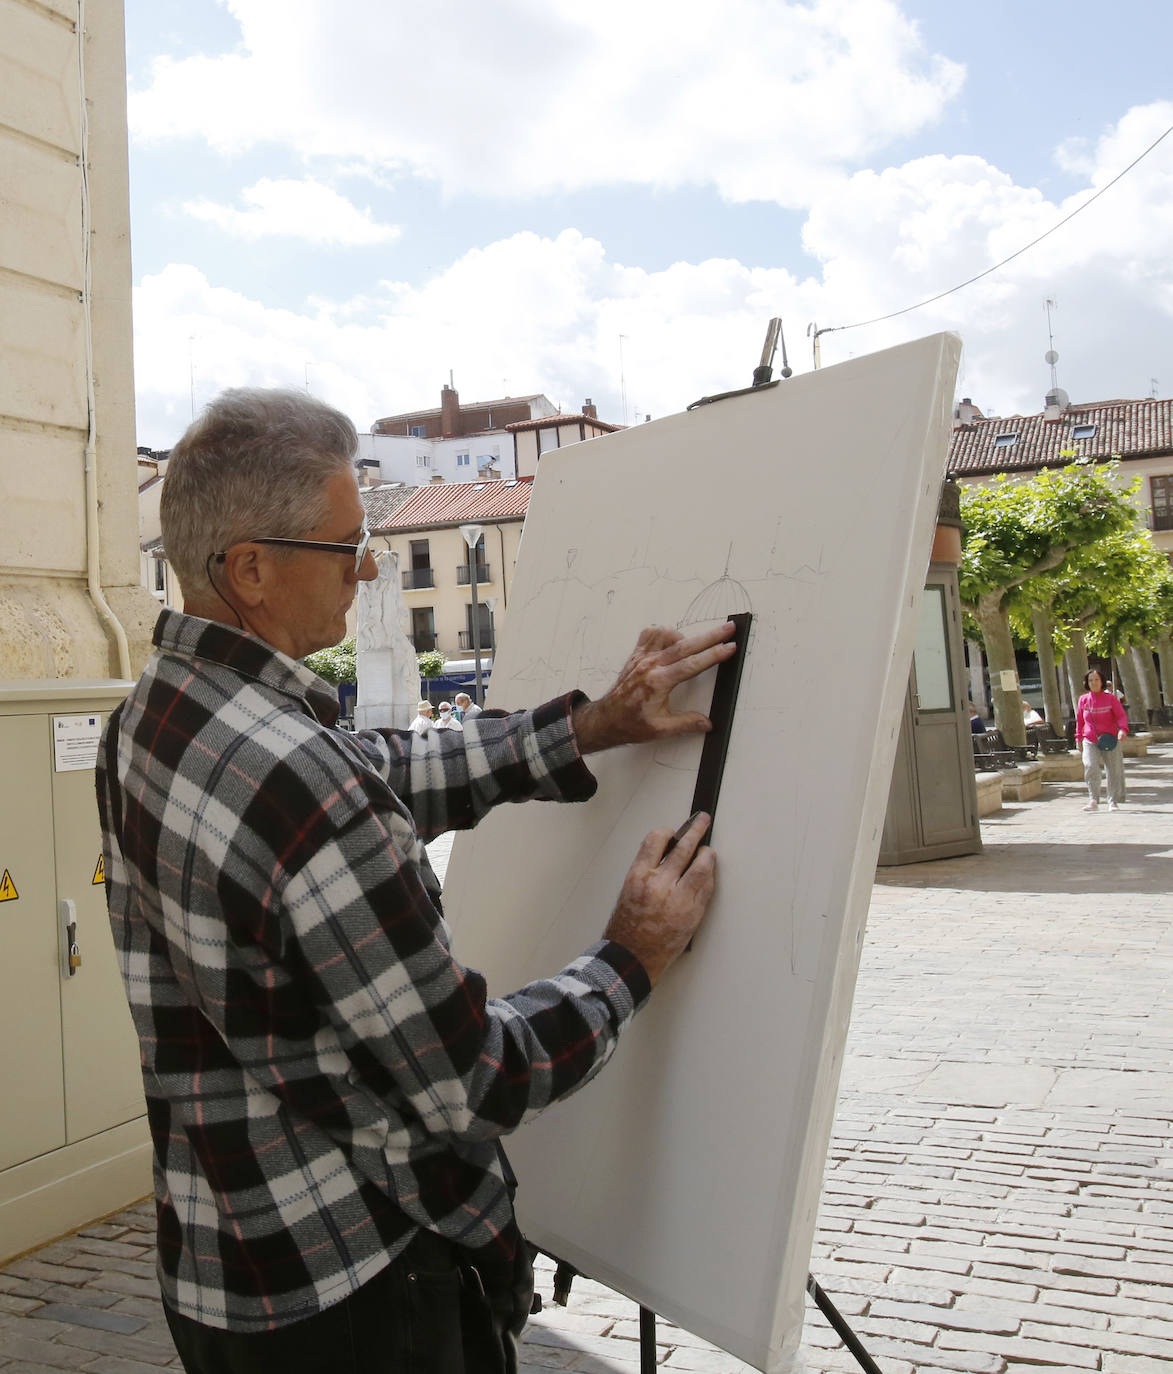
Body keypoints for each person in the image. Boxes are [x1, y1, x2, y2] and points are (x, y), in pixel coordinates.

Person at [95, 388, 736, 1374]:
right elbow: (477, 1083)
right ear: (251, 570)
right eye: (344, 546)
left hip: (219, 1271)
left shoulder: (149, 721)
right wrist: (633, 954)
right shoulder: (309, 790)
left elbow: (372, 771)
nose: (366, 568)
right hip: (359, 1295)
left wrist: (588, 726)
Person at [1075, 667, 1128, 811]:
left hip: (1110, 739)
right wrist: (1078, 738)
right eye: (1090, 680)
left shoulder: (1111, 698)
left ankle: (1113, 801)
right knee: (1090, 766)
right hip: (1090, 740)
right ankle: (1093, 800)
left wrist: (1122, 730)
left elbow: (1121, 716)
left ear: (1102, 681)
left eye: (1096, 679)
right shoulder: (1083, 700)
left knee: (1113, 770)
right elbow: (1080, 721)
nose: (1093, 682)